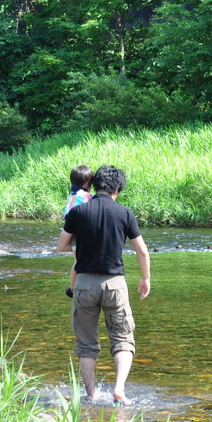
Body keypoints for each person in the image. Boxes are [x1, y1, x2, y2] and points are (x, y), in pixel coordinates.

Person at [58, 165, 151, 404]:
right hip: (115, 284)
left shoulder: (78, 212)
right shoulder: (125, 213)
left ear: (94, 184)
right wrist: (145, 278)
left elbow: (62, 246)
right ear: (117, 189)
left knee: (87, 345)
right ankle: (119, 389)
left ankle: (92, 395)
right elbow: (141, 250)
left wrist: (81, 247)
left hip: (84, 283)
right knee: (123, 339)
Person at [64, 165, 93, 297]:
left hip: (70, 230)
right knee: (78, 261)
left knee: (76, 259)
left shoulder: (72, 195)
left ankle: (73, 287)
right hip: (78, 231)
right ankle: (73, 288)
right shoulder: (86, 196)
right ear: (88, 183)